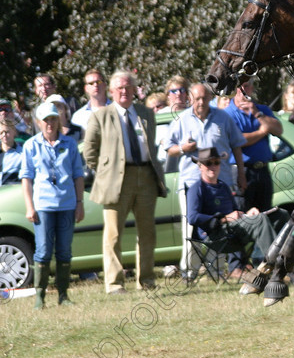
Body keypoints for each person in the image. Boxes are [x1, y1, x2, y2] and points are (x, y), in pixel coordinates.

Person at [83, 70, 168, 294]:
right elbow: (89, 151)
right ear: (111, 91)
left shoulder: (146, 114)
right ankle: (114, 283)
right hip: (115, 181)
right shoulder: (100, 116)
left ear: (134, 91)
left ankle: (147, 281)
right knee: (113, 234)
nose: (124, 91)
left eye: (128, 87)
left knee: (148, 232)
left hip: (146, 178)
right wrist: (105, 171)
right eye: (119, 87)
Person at [167, 83, 246, 279]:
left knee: (219, 226)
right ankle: (189, 272)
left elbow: (237, 146)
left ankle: (216, 272)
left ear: (210, 98)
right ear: (190, 98)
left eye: (205, 98)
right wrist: (184, 148)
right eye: (197, 98)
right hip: (192, 184)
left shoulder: (223, 118)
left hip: (221, 183)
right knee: (192, 227)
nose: (201, 102)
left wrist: (241, 174)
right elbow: (169, 148)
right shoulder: (182, 120)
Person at [186, 147, 288, 292]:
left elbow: (235, 213)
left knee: (280, 215)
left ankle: (271, 265)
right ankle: (278, 272)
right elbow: (193, 217)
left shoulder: (223, 187)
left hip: (235, 230)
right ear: (200, 166)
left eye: (216, 162)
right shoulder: (197, 189)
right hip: (216, 236)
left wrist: (247, 213)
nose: (213, 167)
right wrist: (223, 219)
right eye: (209, 163)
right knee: (259, 221)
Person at [20, 103, 85, 308]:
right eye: (46, 120)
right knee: (44, 250)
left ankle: (63, 295)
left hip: (67, 204)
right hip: (43, 206)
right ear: (39, 123)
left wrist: (80, 203)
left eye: (54, 119)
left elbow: (78, 175)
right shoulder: (31, 145)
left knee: (64, 251)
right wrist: (30, 206)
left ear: (59, 120)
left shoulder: (70, 144)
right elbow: (27, 178)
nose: (50, 123)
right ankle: (40, 295)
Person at [224, 80, 283, 273]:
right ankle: (237, 265)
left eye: (247, 86)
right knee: (241, 216)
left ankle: (262, 260)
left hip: (262, 170)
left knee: (265, 215)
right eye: (240, 86)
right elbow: (238, 141)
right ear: (234, 89)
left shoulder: (262, 109)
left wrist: (257, 113)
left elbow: (278, 129)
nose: (244, 90)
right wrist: (261, 131)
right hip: (240, 170)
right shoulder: (228, 114)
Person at [70, 69, 111, 136]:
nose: (95, 85)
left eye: (99, 82)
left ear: (105, 85)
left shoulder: (118, 109)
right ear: (86, 88)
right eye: (91, 83)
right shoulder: (78, 117)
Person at [0, 120, 23, 185]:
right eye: (1, 133)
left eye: (7, 132)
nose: (4, 135)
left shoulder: (22, 153)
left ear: (14, 132)